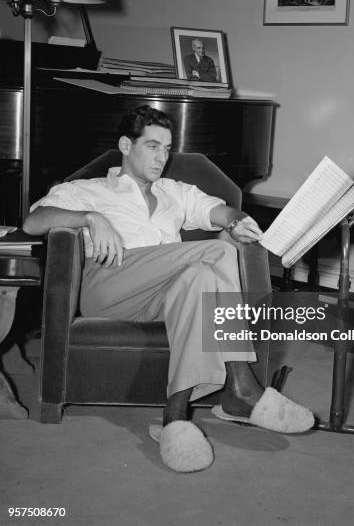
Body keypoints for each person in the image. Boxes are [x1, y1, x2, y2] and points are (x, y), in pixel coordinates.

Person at [23, 105, 313, 472]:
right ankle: (242, 386)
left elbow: (218, 211)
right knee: (217, 250)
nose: (162, 157)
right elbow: (35, 221)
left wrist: (239, 221)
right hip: (109, 288)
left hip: (162, 295)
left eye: (167, 148)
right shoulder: (90, 191)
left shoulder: (175, 192)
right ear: (126, 146)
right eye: (152, 146)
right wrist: (90, 218)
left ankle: (174, 418)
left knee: (202, 278)